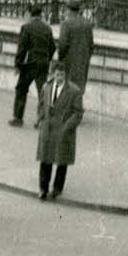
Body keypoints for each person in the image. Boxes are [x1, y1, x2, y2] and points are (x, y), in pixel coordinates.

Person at [34, 53, 84, 201]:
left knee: (61, 161)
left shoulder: (74, 91)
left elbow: (78, 112)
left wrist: (67, 127)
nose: (59, 78)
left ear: (65, 75)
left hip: (63, 130)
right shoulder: (47, 86)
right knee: (45, 160)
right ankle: (43, 189)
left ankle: (57, 189)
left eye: (61, 75)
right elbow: (42, 104)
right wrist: (40, 119)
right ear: (53, 74)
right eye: (57, 75)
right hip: (48, 129)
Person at [11, 1, 56, 126]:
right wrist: (47, 59)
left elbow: (22, 48)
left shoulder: (26, 27)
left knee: (21, 89)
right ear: (41, 14)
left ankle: (18, 118)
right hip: (43, 63)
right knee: (42, 91)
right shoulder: (47, 28)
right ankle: (41, 119)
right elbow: (52, 47)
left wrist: (18, 64)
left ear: (30, 14)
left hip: (30, 63)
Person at [57, 0, 94, 94]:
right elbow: (91, 46)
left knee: (67, 91)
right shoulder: (87, 24)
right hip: (83, 63)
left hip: (69, 63)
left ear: (68, 10)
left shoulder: (66, 24)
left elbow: (62, 44)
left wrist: (60, 59)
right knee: (79, 91)